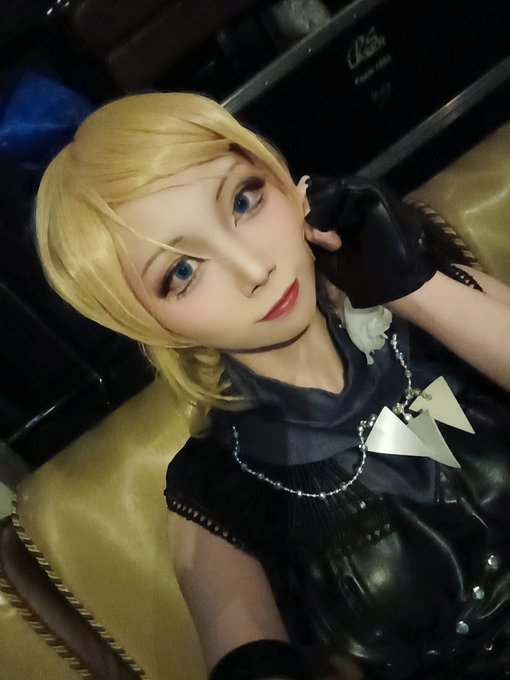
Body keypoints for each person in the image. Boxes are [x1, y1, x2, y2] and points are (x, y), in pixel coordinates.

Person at [35, 92, 510, 680]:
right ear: (146, 322)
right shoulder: (219, 490)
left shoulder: (424, 298)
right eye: (182, 271)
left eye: (243, 200)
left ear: (284, 181)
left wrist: (413, 289)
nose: (253, 268)